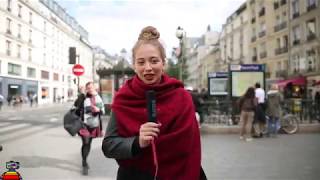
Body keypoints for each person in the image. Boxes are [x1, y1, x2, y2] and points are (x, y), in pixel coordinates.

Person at [102, 26, 206, 180]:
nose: (148, 68)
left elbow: (190, 146)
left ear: (163, 63)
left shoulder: (182, 97)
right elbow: (108, 145)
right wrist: (138, 142)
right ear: (135, 66)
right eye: (141, 62)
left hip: (181, 173)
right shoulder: (124, 98)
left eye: (154, 61)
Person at [75, 82, 105, 175]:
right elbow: (76, 105)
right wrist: (82, 94)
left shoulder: (98, 98)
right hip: (83, 124)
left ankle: (84, 159)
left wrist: (98, 110)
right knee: (86, 142)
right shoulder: (83, 97)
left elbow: (103, 111)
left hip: (94, 124)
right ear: (86, 89)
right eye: (88, 88)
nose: (90, 89)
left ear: (94, 88)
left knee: (88, 144)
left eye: (91, 88)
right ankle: (84, 163)